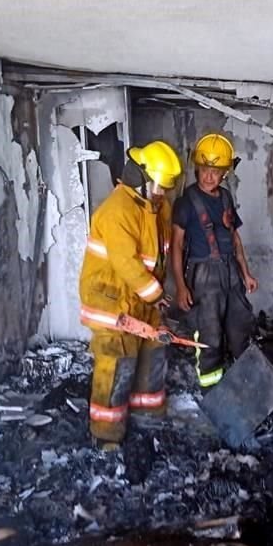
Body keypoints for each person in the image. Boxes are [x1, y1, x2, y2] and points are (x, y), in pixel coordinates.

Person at [78, 140, 181, 447]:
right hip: (111, 305)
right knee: (117, 365)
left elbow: (157, 258)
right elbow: (126, 262)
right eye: (159, 186)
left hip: (143, 300)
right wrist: (154, 294)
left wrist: (155, 297)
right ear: (141, 179)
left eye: (166, 187)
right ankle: (106, 436)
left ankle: (148, 419)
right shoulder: (117, 211)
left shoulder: (157, 207)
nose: (163, 193)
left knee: (153, 356)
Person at [171, 133, 257, 389]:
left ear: (225, 173)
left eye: (216, 171)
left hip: (230, 271)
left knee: (240, 329)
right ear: (197, 168)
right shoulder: (186, 202)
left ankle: (246, 387)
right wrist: (181, 286)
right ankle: (212, 391)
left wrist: (246, 273)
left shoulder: (226, 198)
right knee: (210, 337)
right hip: (204, 275)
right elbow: (176, 245)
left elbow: (234, 237)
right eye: (205, 169)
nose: (209, 176)